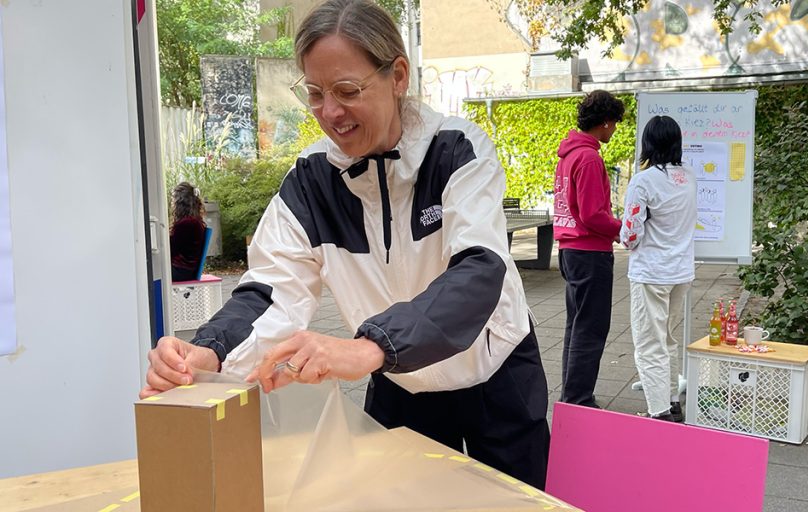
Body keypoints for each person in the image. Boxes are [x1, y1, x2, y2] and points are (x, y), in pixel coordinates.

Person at [140, 0, 549, 488]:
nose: (330, 112)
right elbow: (271, 289)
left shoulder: (458, 150)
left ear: (398, 76)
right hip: (398, 382)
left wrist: (369, 346)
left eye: (347, 90)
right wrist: (209, 350)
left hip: (494, 374)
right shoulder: (311, 181)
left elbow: (480, 271)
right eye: (314, 93)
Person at [619, 116, 696, 422]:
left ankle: (659, 412)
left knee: (649, 345)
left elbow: (630, 235)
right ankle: (672, 401)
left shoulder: (643, 181)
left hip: (651, 272)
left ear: (647, 143)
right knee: (667, 339)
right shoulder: (689, 176)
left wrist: (627, 236)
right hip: (681, 271)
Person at [552, 90, 624, 408]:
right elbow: (594, 214)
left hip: (570, 249)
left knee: (576, 325)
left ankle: (573, 393)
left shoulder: (568, 156)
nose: (615, 130)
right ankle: (578, 398)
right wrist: (623, 229)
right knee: (591, 327)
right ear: (606, 122)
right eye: (615, 124)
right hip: (590, 251)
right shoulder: (590, 158)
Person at [169, 182, 207, 282]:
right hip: (187, 269)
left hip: (181, 270)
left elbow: (171, 250)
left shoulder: (186, 223)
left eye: (174, 199)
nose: (172, 203)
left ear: (180, 202)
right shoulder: (194, 221)